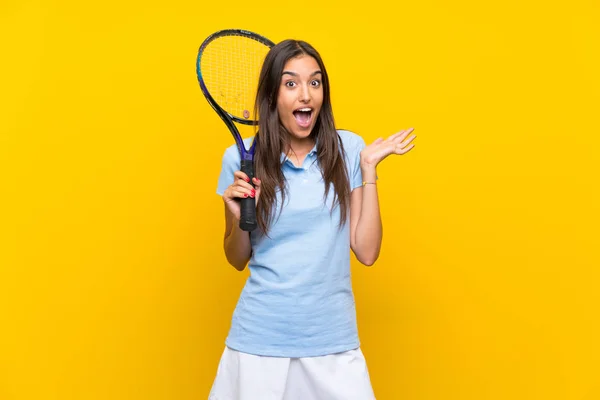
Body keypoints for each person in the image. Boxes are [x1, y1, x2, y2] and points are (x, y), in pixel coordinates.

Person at [208, 39, 416, 400]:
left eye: (314, 82)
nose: (305, 95)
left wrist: (369, 170)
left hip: (332, 340)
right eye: (291, 84)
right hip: (260, 341)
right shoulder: (240, 158)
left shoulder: (348, 150)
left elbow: (367, 252)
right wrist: (239, 216)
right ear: (272, 96)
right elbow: (237, 258)